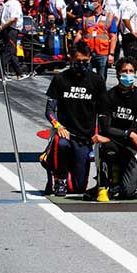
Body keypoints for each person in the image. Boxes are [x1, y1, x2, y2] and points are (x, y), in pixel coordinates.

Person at [42, 42, 107, 197]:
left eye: (85, 61)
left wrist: (102, 134)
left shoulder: (97, 81)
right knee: (61, 143)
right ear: (71, 59)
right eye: (78, 61)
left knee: (78, 188)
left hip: (85, 137)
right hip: (65, 133)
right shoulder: (60, 79)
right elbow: (49, 110)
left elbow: (103, 112)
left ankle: (64, 171)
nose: (82, 65)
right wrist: (58, 126)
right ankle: (59, 178)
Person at [96, 58, 137, 200]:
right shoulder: (107, 97)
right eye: (124, 71)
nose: (128, 74)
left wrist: (130, 134)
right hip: (111, 142)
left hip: (130, 146)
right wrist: (129, 134)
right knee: (105, 146)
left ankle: (136, 181)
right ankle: (105, 184)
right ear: (118, 74)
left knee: (128, 193)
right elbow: (105, 128)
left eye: (131, 71)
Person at [76, 0, 116, 83]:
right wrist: (74, 49)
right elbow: (80, 33)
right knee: (86, 76)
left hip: (102, 52)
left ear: (98, 2)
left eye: (91, 1)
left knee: (101, 78)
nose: (89, 3)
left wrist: (111, 54)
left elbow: (113, 37)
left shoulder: (109, 16)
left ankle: (100, 95)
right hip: (87, 52)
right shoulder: (86, 16)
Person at [0, 0, 25, 79]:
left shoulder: (7, 3)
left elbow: (0, 16)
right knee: (9, 51)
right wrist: (2, 26)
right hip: (11, 30)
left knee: (12, 51)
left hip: (6, 29)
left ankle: (19, 73)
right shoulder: (16, 5)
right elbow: (13, 18)